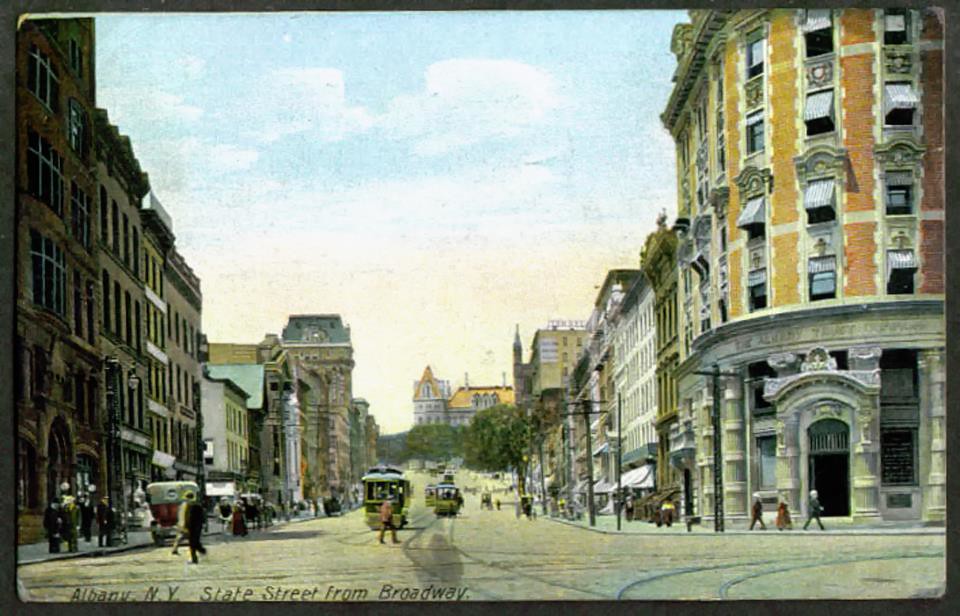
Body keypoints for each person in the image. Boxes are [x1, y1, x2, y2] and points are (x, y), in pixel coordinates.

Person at [186, 491, 207, 564]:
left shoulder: (196, 506)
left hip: (196, 527)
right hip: (192, 527)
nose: (187, 501)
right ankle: (201, 551)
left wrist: (203, 525)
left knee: (193, 543)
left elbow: (201, 517)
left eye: (188, 499)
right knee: (194, 543)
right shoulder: (190, 506)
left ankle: (195, 558)